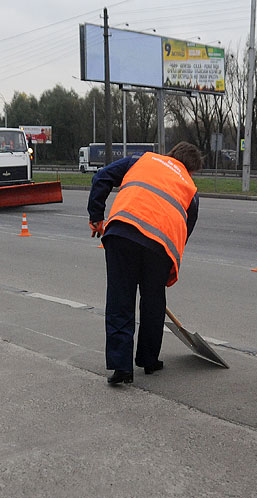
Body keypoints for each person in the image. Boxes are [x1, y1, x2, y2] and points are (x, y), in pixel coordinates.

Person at [87, 143, 203, 385]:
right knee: (153, 302)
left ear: (171, 153)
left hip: (122, 232)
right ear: (190, 170)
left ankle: (121, 368)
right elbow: (184, 232)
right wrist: (167, 269)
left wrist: (96, 216)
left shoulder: (140, 160)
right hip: (160, 246)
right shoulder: (191, 190)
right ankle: (149, 361)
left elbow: (101, 177)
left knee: (120, 299)